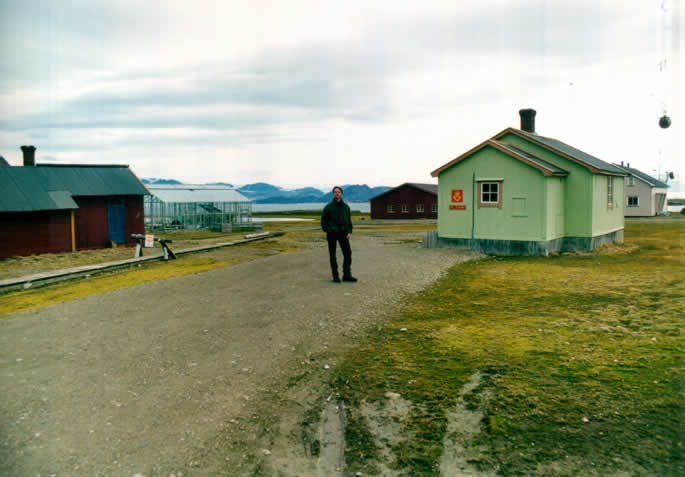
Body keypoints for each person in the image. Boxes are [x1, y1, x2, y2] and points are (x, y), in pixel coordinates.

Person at [321, 186, 357, 283]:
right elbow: (323, 221)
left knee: (348, 254)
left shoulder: (346, 207)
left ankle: (347, 275)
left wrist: (349, 231)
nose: (337, 193)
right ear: (333, 194)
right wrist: (328, 230)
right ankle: (335, 276)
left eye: (339, 192)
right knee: (333, 255)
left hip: (343, 234)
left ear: (341, 193)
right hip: (331, 234)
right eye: (335, 192)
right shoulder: (328, 207)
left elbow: (349, 221)